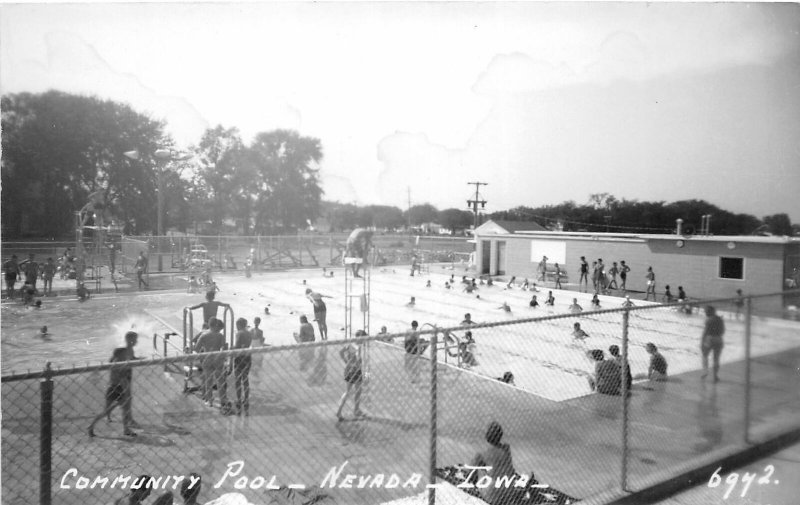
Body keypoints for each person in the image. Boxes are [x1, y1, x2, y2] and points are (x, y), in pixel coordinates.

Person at [88, 331, 141, 437]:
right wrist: (126, 390)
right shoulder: (121, 358)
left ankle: (92, 426)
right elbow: (121, 375)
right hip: (119, 387)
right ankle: (126, 429)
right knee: (122, 409)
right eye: (135, 339)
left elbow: (128, 363)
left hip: (113, 387)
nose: (136, 341)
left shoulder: (121, 356)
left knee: (110, 411)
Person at [469, 421, 528, 505]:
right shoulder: (507, 449)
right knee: (503, 470)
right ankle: (517, 491)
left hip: (492, 496)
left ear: (487, 436)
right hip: (509, 493)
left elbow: (470, 470)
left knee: (480, 470)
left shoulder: (482, 452)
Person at [194, 318, 230, 411]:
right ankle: (223, 400)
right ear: (216, 325)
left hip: (207, 358)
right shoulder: (220, 336)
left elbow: (196, 349)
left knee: (208, 380)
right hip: (218, 359)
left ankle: (209, 400)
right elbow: (224, 348)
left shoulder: (203, 335)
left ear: (209, 325)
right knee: (220, 381)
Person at [336, 334, 366, 421]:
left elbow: (340, 352)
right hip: (355, 371)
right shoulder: (358, 347)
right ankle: (344, 411)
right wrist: (367, 375)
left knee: (356, 390)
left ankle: (355, 410)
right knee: (353, 391)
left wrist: (346, 362)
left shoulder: (350, 344)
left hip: (349, 370)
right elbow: (360, 361)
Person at [232, 318, 252, 415]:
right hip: (247, 356)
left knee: (237, 379)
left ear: (238, 325)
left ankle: (239, 399)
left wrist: (230, 349)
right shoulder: (249, 333)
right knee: (245, 379)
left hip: (239, 357)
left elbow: (237, 346)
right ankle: (246, 399)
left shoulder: (239, 333)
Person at [701, 306, 725, 382]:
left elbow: (705, 332)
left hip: (709, 338)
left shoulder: (708, 320)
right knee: (716, 359)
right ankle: (715, 376)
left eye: (706, 312)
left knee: (705, 355)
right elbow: (723, 331)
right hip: (719, 339)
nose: (705, 313)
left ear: (711, 312)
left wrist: (702, 342)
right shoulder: (720, 319)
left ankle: (705, 371)